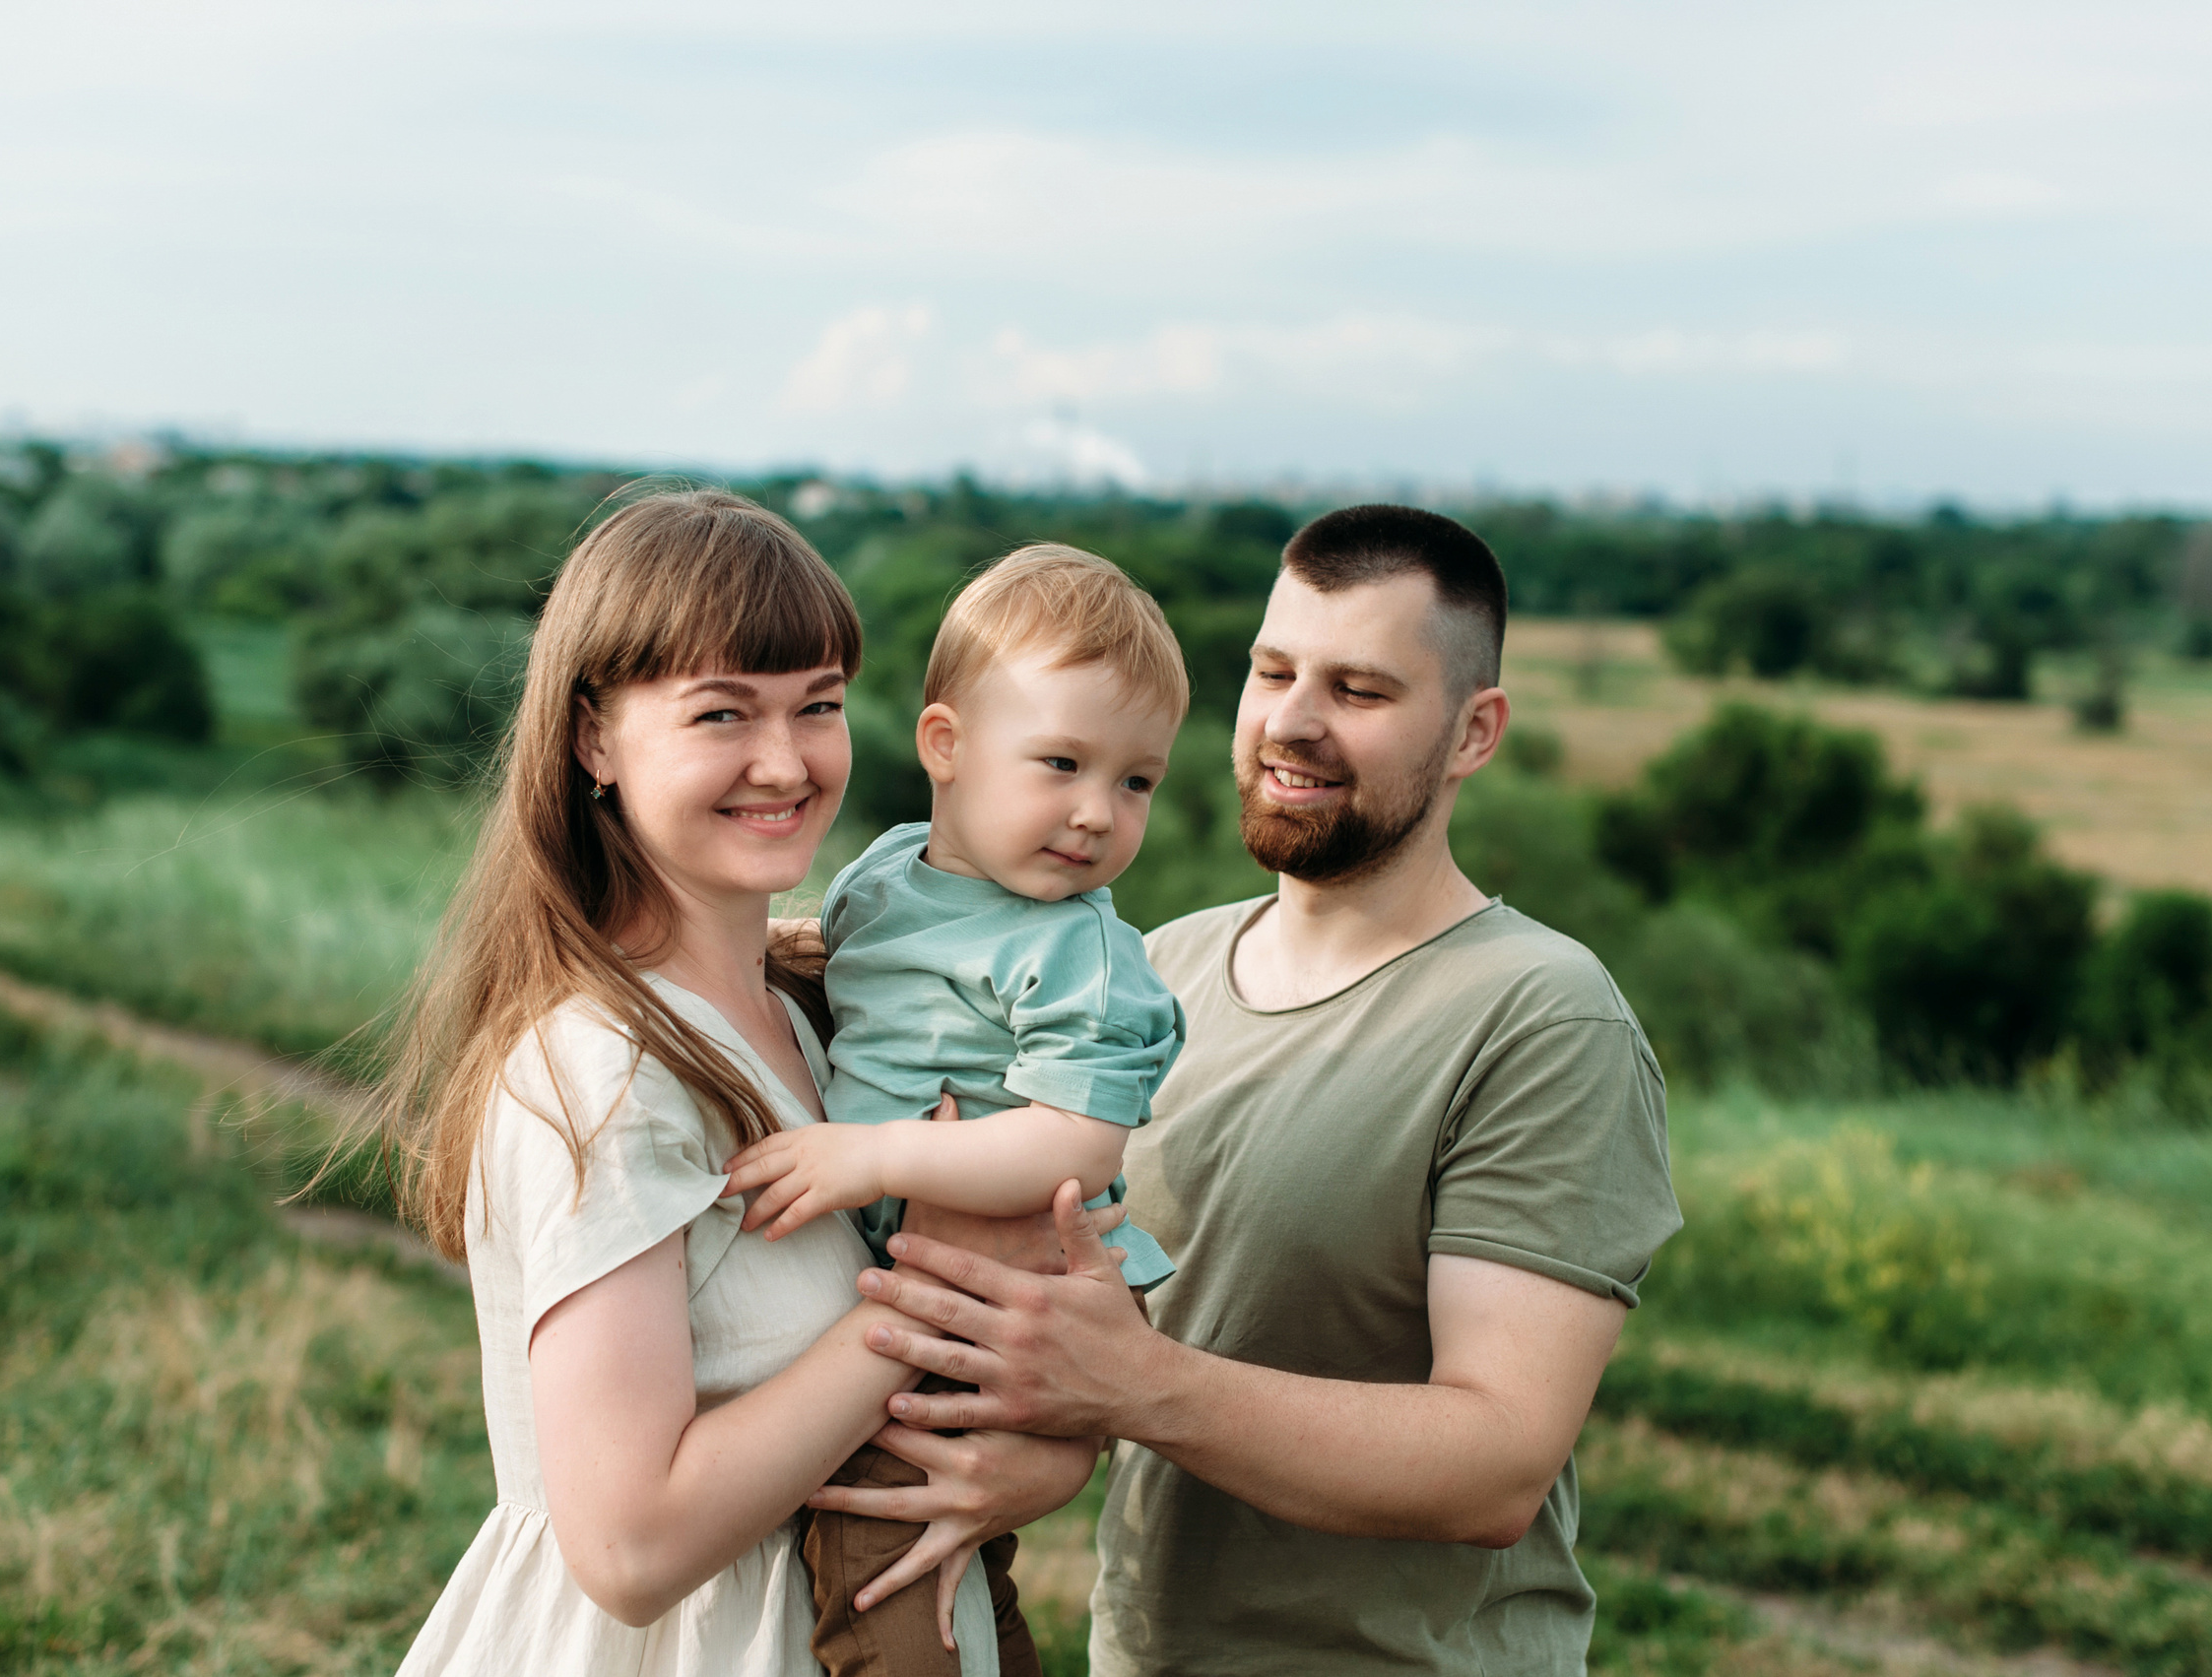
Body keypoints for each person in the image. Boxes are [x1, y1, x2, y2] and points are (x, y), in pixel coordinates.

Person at [844, 505, 1685, 1675]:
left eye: (1361, 688)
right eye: (1273, 669)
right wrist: (1034, 1445)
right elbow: (1087, 1328)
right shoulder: (1153, 969)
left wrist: (1137, 1385)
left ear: (1473, 731)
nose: (1292, 720)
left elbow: (1497, 1460)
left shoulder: (1539, 1013)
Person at [373, 489, 1096, 1677]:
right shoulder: (604, 1069)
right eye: (722, 713)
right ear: (592, 739)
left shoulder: (827, 1011)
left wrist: (1037, 1458)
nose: (785, 759)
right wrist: (924, 1300)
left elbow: (1037, 1364)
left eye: (817, 705)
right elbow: (631, 1542)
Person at [723, 546, 1190, 1673]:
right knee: (959, 1580)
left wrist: (876, 1153)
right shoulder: (881, 876)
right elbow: (851, 986)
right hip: (915, 1290)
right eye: (1062, 762)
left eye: (1135, 781)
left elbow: (1073, 1142)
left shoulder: (1080, 952)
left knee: (882, 1568)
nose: (1094, 813)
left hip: (993, 1307)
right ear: (945, 746)